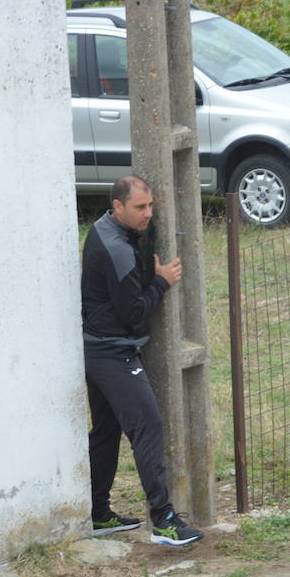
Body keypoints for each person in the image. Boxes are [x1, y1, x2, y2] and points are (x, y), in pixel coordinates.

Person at [81, 175, 204, 546]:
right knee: (147, 426)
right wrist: (161, 282)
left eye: (150, 206)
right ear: (118, 205)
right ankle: (164, 520)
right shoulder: (116, 248)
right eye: (140, 207)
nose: (148, 214)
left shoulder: (103, 230)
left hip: (94, 347)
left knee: (105, 431)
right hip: (112, 352)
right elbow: (133, 313)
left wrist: (146, 277)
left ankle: (98, 513)